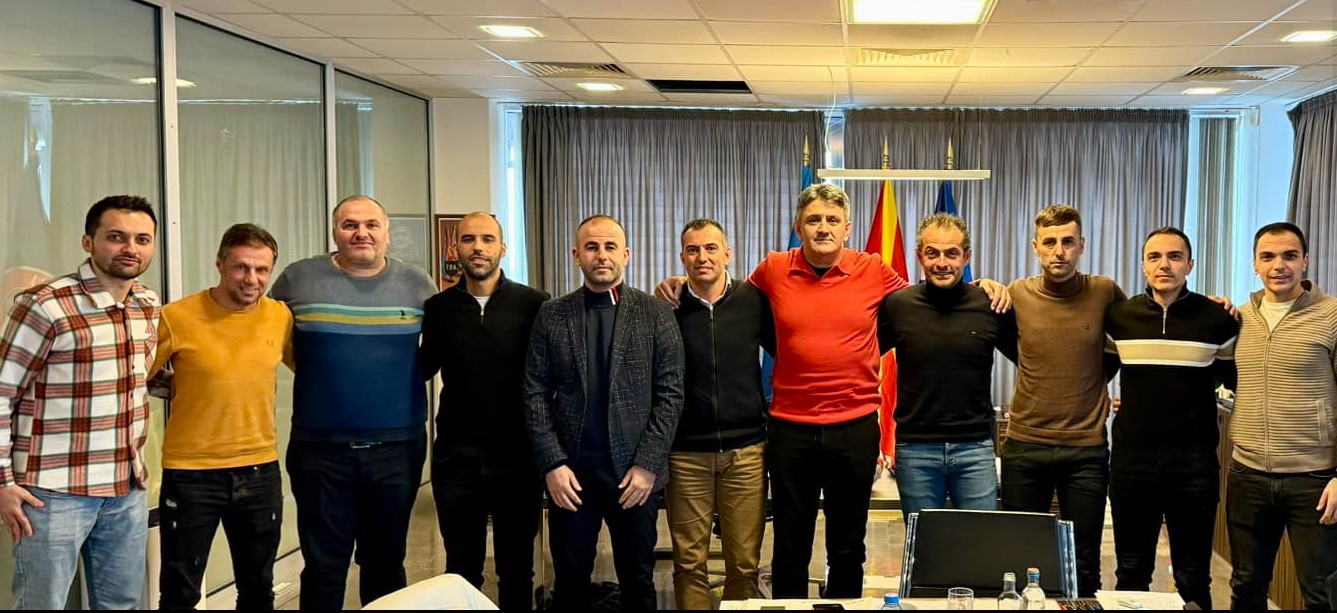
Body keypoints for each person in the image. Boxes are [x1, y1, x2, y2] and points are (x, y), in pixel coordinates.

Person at [657, 184, 1008, 599]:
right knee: (790, 544)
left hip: (854, 429)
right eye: (814, 220)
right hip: (790, 430)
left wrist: (982, 286)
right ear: (799, 227)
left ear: (847, 228)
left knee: (847, 546)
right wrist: (682, 282)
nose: (823, 228)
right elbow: (727, 296)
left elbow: (928, 298)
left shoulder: (873, 270)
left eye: (832, 220)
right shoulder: (773, 269)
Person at [269, 195, 436, 610]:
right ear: (334, 233)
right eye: (350, 225)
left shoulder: (418, 285)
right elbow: (266, 337)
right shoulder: (297, 280)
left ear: (386, 233)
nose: (361, 233)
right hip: (320, 451)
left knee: (386, 563)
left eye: (371, 225)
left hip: (397, 449)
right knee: (324, 567)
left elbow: (437, 352)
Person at [0, 195, 160, 609]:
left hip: (126, 488)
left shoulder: (146, 304)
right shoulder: (44, 305)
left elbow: (135, 379)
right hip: (53, 493)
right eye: (116, 237)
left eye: (142, 239)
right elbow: (3, 393)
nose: (130, 248)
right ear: (88, 242)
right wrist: (3, 483)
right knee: (43, 604)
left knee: (121, 603)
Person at [524, 214, 684, 610]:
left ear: (626, 254)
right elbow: (534, 393)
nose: (601, 255)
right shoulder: (552, 314)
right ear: (576, 255)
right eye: (592, 247)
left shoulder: (656, 314)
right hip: (571, 475)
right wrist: (552, 463)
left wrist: (647, 465)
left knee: (638, 581)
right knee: (570, 583)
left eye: (610, 247)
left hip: (634, 475)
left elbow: (670, 395)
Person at [150, 224, 292, 610]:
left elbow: (311, 370)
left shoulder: (279, 317)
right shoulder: (176, 317)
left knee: (258, 588)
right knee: (180, 593)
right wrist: (179, 386)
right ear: (220, 264)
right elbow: (138, 376)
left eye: (262, 270)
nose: (251, 279)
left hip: (259, 471)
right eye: (241, 267)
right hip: (191, 475)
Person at [1104, 227, 1239, 610]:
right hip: (1132, 468)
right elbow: (1096, 376)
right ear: (1143, 265)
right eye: (1155, 257)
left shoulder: (1218, 320)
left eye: (1175, 256)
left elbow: (1235, 382)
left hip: (1194, 470)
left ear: (1190, 264)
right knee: (1131, 573)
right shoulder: (1119, 317)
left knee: (1193, 577)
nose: (1164, 265)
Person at [420, 212, 549, 610]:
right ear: (455, 248)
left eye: (487, 239)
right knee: (461, 571)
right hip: (456, 460)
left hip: (518, 458)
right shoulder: (438, 308)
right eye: (469, 239)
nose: (478, 247)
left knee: (517, 570)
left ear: (502, 248)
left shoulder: (535, 304)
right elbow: (420, 368)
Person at [1001, 204, 1125, 597]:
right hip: (1025, 445)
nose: (1059, 252)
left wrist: (1096, 383)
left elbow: (1131, 341)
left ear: (1081, 245)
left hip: (1085, 450)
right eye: (1050, 242)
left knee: (1083, 560)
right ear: (1035, 246)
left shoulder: (1104, 292)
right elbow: (1013, 347)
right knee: (1020, 555)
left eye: (1068, 242)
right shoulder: (1017, 294)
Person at [1227, 222, 1337, 610]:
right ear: (1255, 264)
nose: (1279, 265)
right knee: (1246, 586)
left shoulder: (1332, 315)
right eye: (1268, 256)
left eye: (1289, 255)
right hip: (1247, 475)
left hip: (1315, 481)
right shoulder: (1239, 319)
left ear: (1305, 260)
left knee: (1322, 593)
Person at [877, 213, 1017, 518]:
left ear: (967, 256)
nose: (942, 263)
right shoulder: (898, 305)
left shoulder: (990, 305)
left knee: (978, 540)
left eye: (952, 253)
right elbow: (861, 357)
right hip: (915, 451)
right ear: (919, 256)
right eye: (933, 253)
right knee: (925, 543)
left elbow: (1031, 362)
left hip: (975, 449)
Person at [666, 219, 773, 609]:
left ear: (728, 253)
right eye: (693, 250)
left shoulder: (754, 301)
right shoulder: (668, 307)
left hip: (746, 452)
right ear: (682, 258)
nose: (702, 257)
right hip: (686, 454)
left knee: (744, 565)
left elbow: (790, 351)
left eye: (711, 248)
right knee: (688, 564)